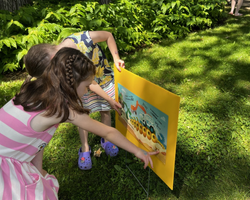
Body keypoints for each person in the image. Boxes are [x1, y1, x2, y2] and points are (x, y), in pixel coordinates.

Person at [0, 47, 158, 199]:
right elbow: (108, 132)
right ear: (71, 84)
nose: (88, 90)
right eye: (87, 86)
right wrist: (138, 152)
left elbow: (37, 141)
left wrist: (39, 170)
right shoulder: (61, 110)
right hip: (5, 168)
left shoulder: (34, 87)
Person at [25, 31, 125, 170]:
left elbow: (108, 35)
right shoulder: (64, 64)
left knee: (105, 110)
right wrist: (108, 98)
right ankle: (85, 147)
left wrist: (116, 58)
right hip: (84, 86)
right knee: (83, 116)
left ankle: (106, 141)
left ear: (53, 59)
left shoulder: (82, 41)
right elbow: (89, 84)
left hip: (103, 79)